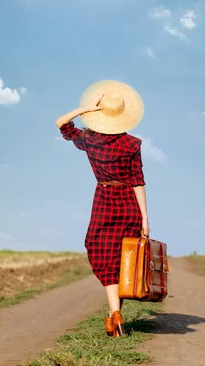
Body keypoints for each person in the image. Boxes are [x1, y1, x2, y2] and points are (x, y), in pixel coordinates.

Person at [54, 80, 149, 338]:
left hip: (104, 200)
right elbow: (138, 181)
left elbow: (61, 123)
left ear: (100, 114)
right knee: (124, 259)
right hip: (129, 203)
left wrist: (85, 108)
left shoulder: (90, 139)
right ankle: (115, 314)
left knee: (101, 253)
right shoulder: (133, 144)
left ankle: (115, 314)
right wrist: (145, 218)